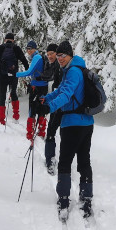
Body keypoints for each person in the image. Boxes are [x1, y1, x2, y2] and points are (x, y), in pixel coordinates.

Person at [36, 41, 94, 219]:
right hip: (86, 123)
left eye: (63, 56)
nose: (59, 59)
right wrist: (45, 99)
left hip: (73, 123)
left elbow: (66, 94)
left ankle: (63, 200)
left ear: (70, 55)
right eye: (58, 56)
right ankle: (86, 199)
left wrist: (49, 107)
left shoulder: (73, 72)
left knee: (65, 162)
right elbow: (60, 90)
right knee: (84, 161)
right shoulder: (74, 69)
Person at [0, 33, 28, 125]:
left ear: (5, 39)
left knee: (2, 95)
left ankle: (2, 120)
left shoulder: (0, 48)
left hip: (2, 75)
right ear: (13, 40)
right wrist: (28, 70)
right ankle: (15, 117)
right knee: (13, 93)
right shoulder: (16, 48)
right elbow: (24, 61)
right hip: (13, 75)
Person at [16, 40, 49, 140]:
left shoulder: (37, 57)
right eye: (27, 48)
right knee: (42, 108)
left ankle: (30, 133)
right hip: (44, 86)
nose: (28, 50)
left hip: (36, 87)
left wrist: (16, 74)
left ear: (35, 49)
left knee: (32, 109)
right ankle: (41, 132)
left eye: (30, 48)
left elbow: (29, 72)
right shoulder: (40, 57)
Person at [40, 43, 63, 175]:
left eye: (51, 54)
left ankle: (51, 160)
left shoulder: (60, 67)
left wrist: (50, 104)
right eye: (48, 54)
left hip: (59, 105)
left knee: (52, 132)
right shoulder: (54, 66)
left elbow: (61, 89)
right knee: (53, 132)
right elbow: (46, 76)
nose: (49, 56)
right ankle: (51, 159)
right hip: (56, 103)